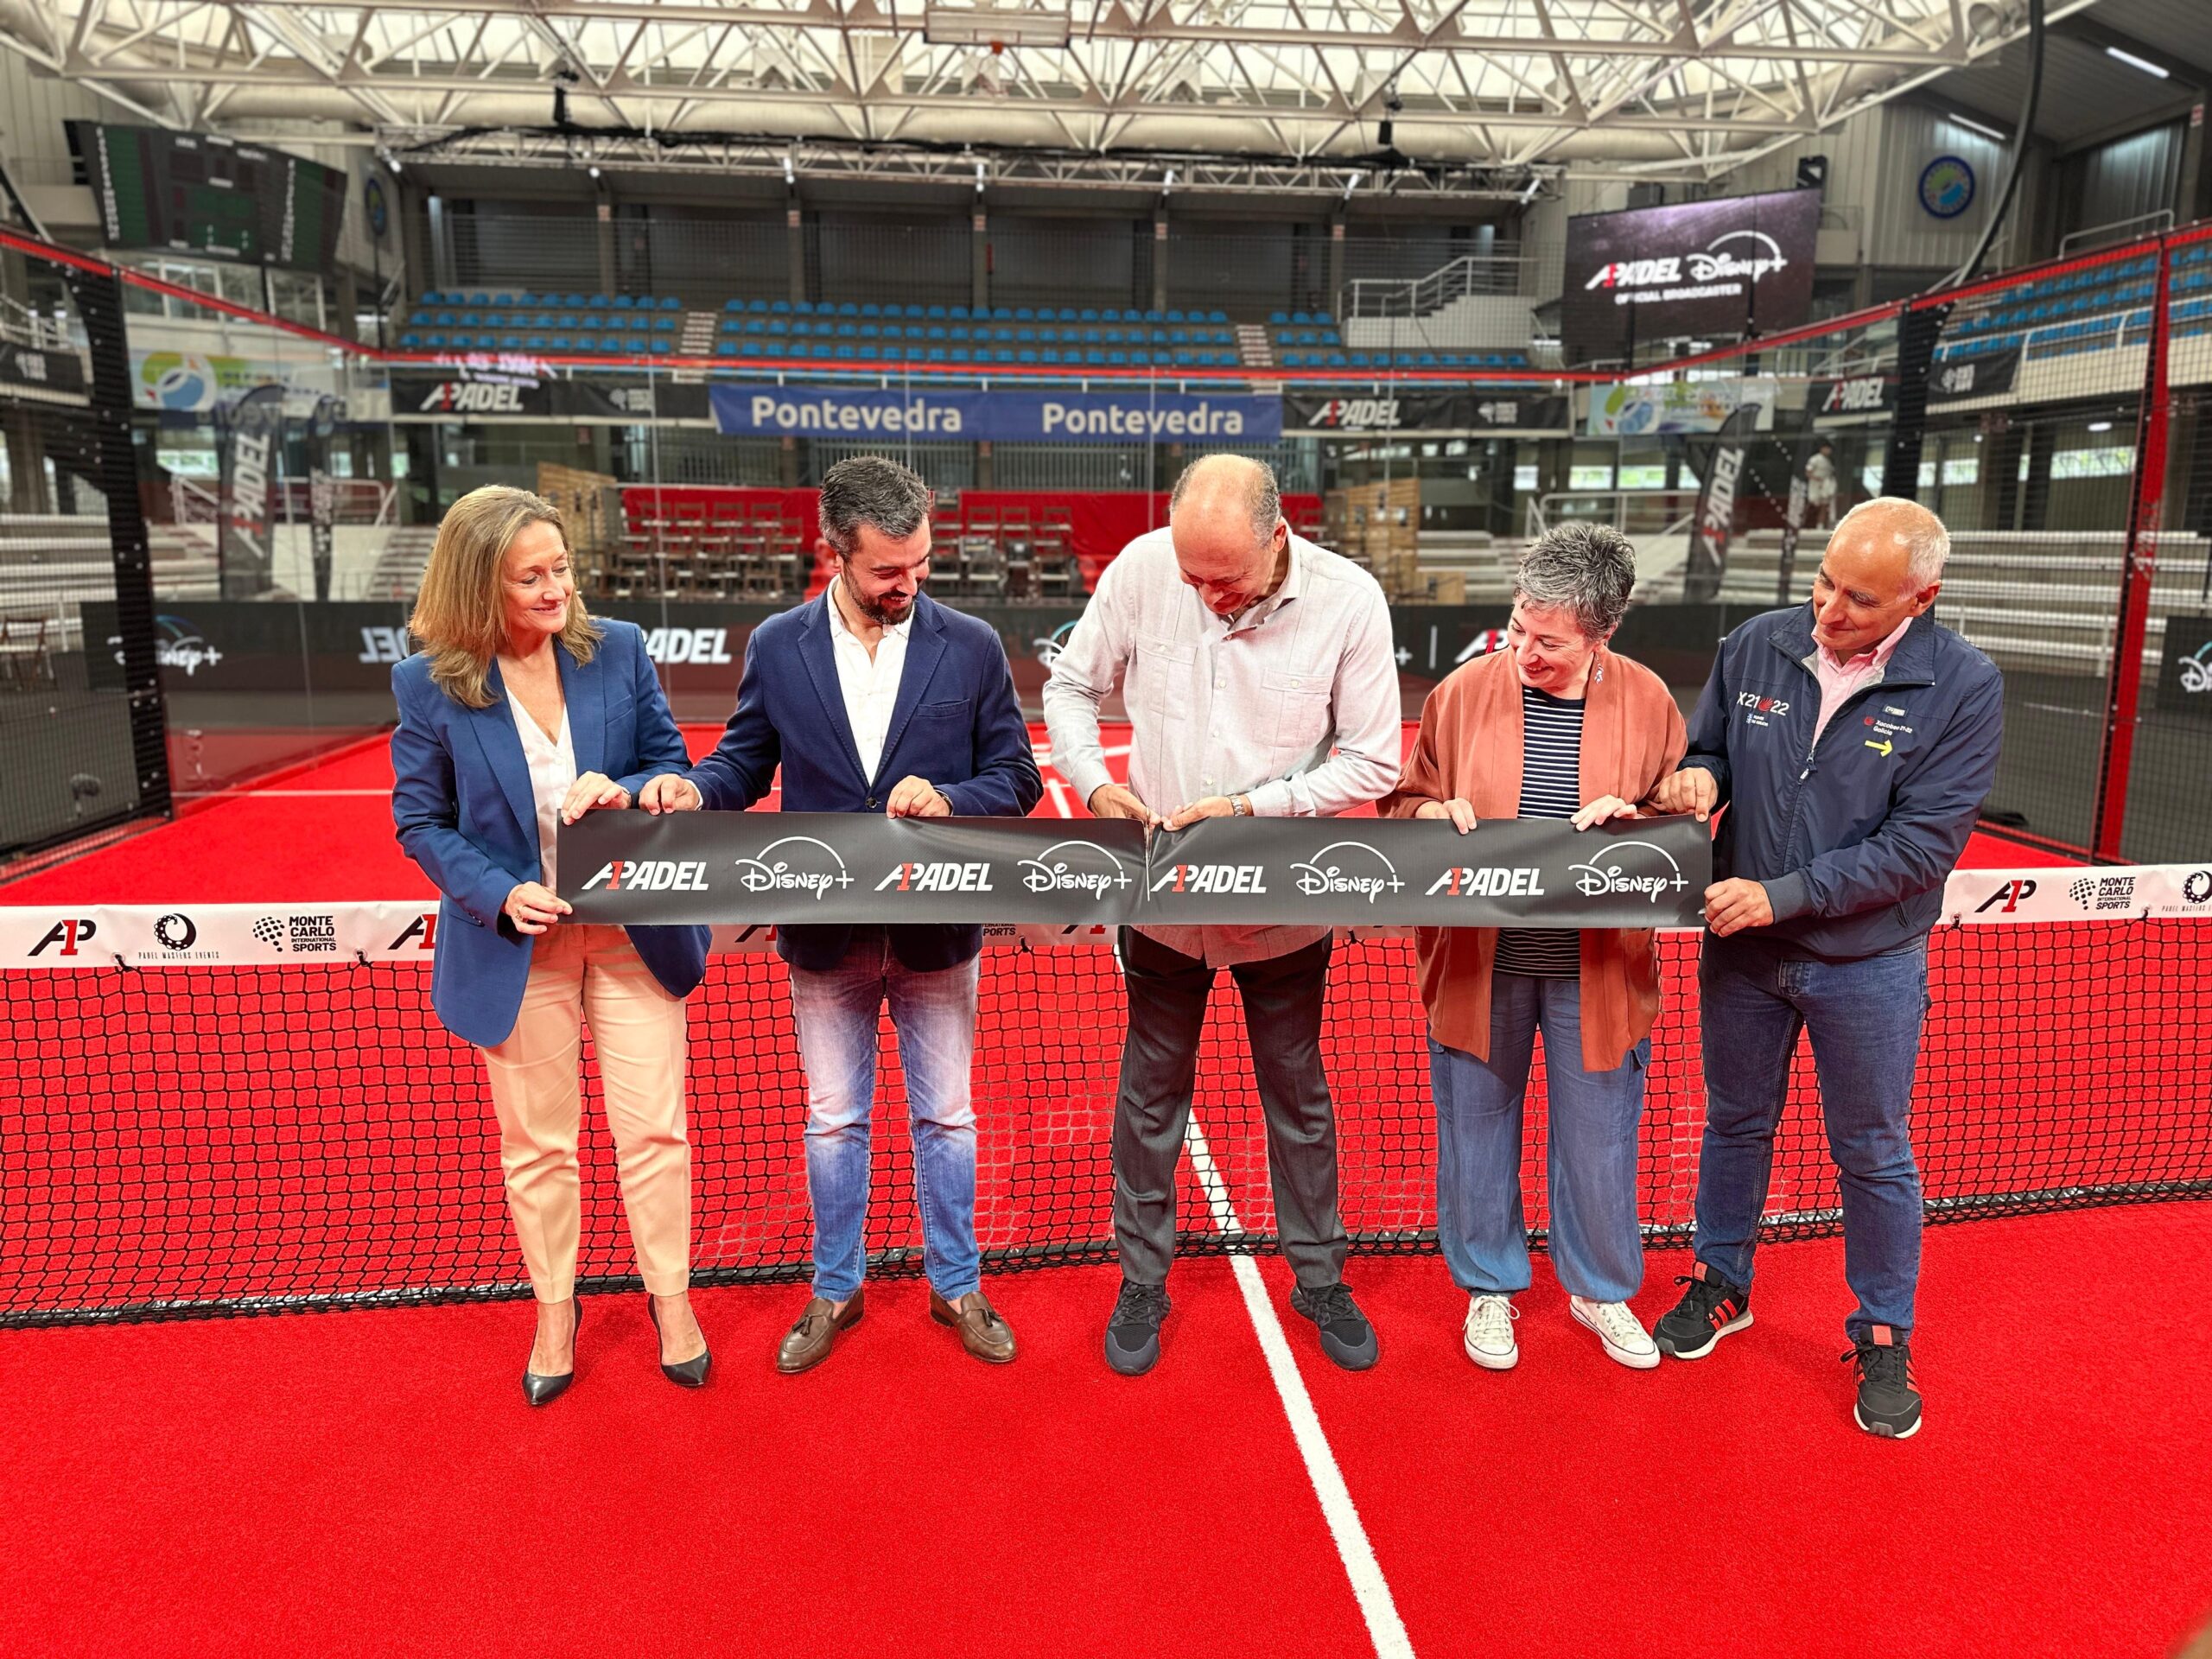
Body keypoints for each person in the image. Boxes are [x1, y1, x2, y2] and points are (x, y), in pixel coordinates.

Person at [640, 455, 1042, 1372]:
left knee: (946, 1117)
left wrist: (950, 798)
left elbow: (1014, 778)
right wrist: (690, 789)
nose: (909, 583)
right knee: (832, 1121)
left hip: (938, 929)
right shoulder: (778, 646)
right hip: (822, 933)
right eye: (888, 571)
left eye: (920, 564)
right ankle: (834, 1288)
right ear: (833, 556)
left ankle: (958, 1284)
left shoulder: (972, 646)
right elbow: (741, 763)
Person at [1649, 497, 2002, 1440]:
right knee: (1734, 1123)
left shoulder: (1964, 686)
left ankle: (1883, 1331)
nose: (1826, 610)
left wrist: (1784, 894)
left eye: (1856, 597)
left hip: (1866, 964)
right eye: (1821, 581)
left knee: (1872, 1151)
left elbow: (1920, 848)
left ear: (1919, 599)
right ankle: (1722, 1282)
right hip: (1743, 956)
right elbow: (1710, 746)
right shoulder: (1756, 643)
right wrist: (1701, 778)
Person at [1042, 454, 1402, 1376]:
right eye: (1191, 576)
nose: (1204, 595)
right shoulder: (1140, 567)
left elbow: (1370, 762)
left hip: (1282, 904)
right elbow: (1071, 687)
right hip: (1159, 899)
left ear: (1277, 538)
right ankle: (1142, 1280)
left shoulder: (1349, 599)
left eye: (1224, 579)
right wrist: (1091, 783)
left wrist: (1252, 809)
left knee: (1297, 1094)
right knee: (1149, 1095)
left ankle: (1319, 1276)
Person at [391, 485, 712, 1406]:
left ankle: (672, 1301)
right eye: (529, 578)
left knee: (653, 1129)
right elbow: (419, 821)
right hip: (514, 946)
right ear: (476, 587)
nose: (553, 590)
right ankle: (556, 1311)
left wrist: (634, 787)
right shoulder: (428, 685)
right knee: (538, 1146)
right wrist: (499, 892)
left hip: (630, 932)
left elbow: (671, 764)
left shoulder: (618, 648)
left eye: (560, 569)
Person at [1382, 524, 1686, 1373]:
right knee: (1475, 1132)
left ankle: (1599, 1292)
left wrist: (1641, 818)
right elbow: (1404, 806)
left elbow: (1680, 824)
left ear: (1602, 634)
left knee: (1599, 1141)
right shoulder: (1459, 693)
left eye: (1548, 641)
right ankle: (1488, 1288)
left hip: (1598, 972)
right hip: (1479, 965)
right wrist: (1431, 815)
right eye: (1518, 628)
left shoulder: (1650, 702)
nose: (1524, 650)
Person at [1806, 442, 1839, 531]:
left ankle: (1819, 526)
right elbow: (1808, 473)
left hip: (1825, 486)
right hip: (1815, 485)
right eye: (1827, 448)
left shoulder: (1828, 461)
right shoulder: (1814, 459)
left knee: (1824, 506)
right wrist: (1817, 479)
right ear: (1822, 449)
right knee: (1811, 504)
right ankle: (1802, 523)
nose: (1828, 451)